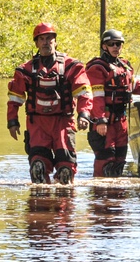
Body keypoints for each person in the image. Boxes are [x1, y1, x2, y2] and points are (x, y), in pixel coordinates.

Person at [8, 23, 92, 184]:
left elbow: (84, 93)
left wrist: (84, 114)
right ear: (36, 43)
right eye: (42, 39)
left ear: (55, 41)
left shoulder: (71, 67)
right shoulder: (25, 70)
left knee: (66, 171)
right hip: (37, 124)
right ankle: (39, 207)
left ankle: (64, 206)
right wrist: (12, 122)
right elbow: (14, 98)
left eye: (49, 38)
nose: (46, 42)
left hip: (63, 122)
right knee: (38, 166)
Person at [86, 29, 140, 177]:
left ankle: (117, 198)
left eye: (118, 44)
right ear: (104, 46)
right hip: (105, 123)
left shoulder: (124, 66)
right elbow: (96, 97)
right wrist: (100, 120)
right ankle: (100, 196)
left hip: (121, 122)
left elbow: (133, 84)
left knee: (120, 159)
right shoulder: (97, 68)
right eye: (111, 44)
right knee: (106, 159)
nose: (115, 47)